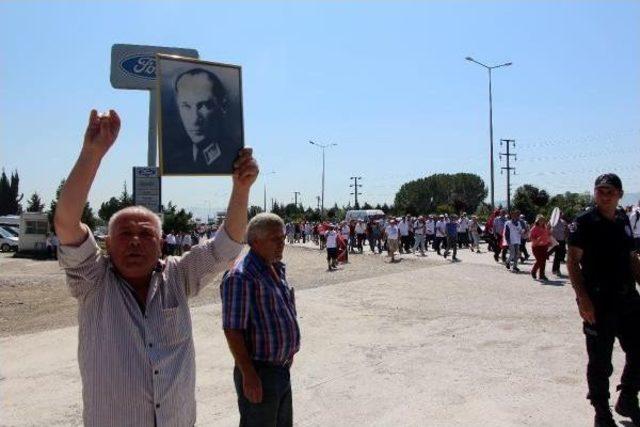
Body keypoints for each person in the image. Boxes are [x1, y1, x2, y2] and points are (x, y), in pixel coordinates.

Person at [55, 109, 258, 426]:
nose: (135, 240)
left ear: (161, 243)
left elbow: (227, 245)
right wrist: (92, 153)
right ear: (107, 243)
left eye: (145, 233)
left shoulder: (177, 276)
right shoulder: (93, 281)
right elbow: (66, 222)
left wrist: (241, 188)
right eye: (124, 234)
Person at [566, 173, 640, 426]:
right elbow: (573, 262)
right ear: (594, 193)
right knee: (600, 361)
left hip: (628, 299)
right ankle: (601, 411)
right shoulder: (584, 222)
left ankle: (628, 399)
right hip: (598, 302)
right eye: (601, 191)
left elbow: (632, 259)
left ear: (620, 194)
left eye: (610, 191)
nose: (605, 195)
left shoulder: (623, 220)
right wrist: (582, 299)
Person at [220, 213, 300, 427]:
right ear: (255, 241)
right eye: (276, 239)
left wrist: (288, 354)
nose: (282, 244)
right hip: (259, 374)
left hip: (280, 370)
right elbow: (232, 329)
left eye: (283, 238)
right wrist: (249, 374)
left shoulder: (274, 268)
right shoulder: (241, 276)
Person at [162, 68, 239, 175]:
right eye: (186, 106)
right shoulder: (174, 160)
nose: (194, 119)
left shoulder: (235, 159)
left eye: (204, 106)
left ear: (223, 106)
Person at [529, 214, 551, 281]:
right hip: (536, 247)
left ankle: (542, 275)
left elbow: (548, 235)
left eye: (543, 220)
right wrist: (538, 239)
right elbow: (531, 238)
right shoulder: (534, 228)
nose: (542, 222)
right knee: (539, 261)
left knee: (543, 261)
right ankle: (533, 271)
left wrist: (549, 241)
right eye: (540, 220)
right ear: (537, 221)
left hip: (544, 246)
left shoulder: (545, 227)